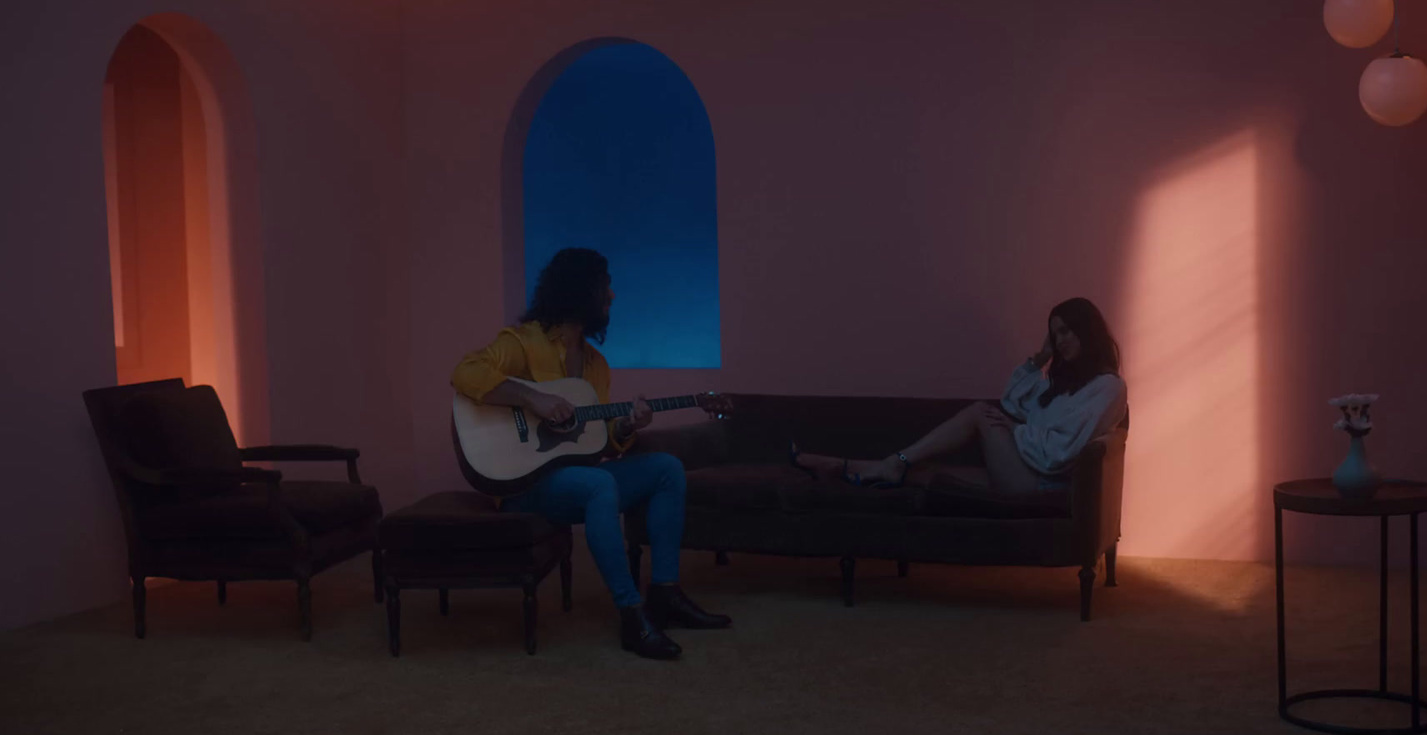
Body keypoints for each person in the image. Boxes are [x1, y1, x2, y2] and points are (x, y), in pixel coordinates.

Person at [451, 247, 730, 660]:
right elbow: (464, 373)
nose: (612, 296)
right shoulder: (523, 343)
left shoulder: (596, 364)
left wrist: (626, 426)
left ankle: (665, 595)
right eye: (606, 287)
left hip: (572, 479)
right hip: (522, 483)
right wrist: (532, 398)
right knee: (598, 483)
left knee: (667, 468)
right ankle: (631, 614)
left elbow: (597, 442)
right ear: (581, 289)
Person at [792, 298, 1128, 494]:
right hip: (1026, 470)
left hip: (1039, 482)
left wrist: (1015, 431)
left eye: (1066, 332)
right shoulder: (1064, 384)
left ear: (1088, 330)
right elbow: (1012, 400)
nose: (1061, 341)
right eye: (1055, 335)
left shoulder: (1107, 388)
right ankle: (848, 466)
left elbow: (1059, 452)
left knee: (980, 413)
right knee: (929, 474)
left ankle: (890, 463)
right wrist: (1040, 359)